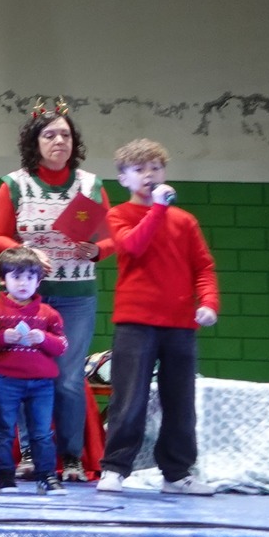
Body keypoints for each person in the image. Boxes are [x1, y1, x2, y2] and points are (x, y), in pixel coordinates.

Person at [0, 108, 111, 480]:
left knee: (68, 377)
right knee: (29, 374)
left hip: (76, 295)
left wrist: (98, 250)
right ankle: (28, 452)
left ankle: (71, 457)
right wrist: (26, 254)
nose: (59, 141)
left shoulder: (91, 185)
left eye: (66, 136)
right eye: (50, 135)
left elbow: (113, 234)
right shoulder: (14, 184)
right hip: (28, 298)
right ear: (35, 142)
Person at [97, 140, 219, 495]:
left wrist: (209, 302)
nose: (149, 175)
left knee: (180, 400)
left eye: (155, 168)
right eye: (139, 169)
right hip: (135, 321)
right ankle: (115, 469)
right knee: (129, 398)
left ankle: (177, 474)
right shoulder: (119, 215)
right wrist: (158, 210)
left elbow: (204, 267)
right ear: (123, 178)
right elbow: (133, 246)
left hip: (180, 323)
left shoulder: (186, 221)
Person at [0, 245, 67, 492]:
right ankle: (5, 475)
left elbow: (61, 346)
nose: (23, 283)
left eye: (29, 277)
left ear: (39, 281)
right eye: (16, 277)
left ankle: (46, 476)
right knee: (4, 429)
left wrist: (44, 339)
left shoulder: (49, 314)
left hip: (42, 383)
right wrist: (3, 337)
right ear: (3, 279)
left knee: (42, 432)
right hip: (7, 380)